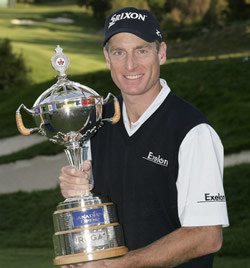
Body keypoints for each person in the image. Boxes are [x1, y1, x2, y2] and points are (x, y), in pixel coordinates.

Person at [59, 7, 229, 268]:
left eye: (141, 50)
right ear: (107, 58)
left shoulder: (191, 130)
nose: (130, 65)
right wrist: (78, 194)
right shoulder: (96, 122)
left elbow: (206, 236)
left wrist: (113, 266)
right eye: (119, 52)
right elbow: (96, 212)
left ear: (161, 53)